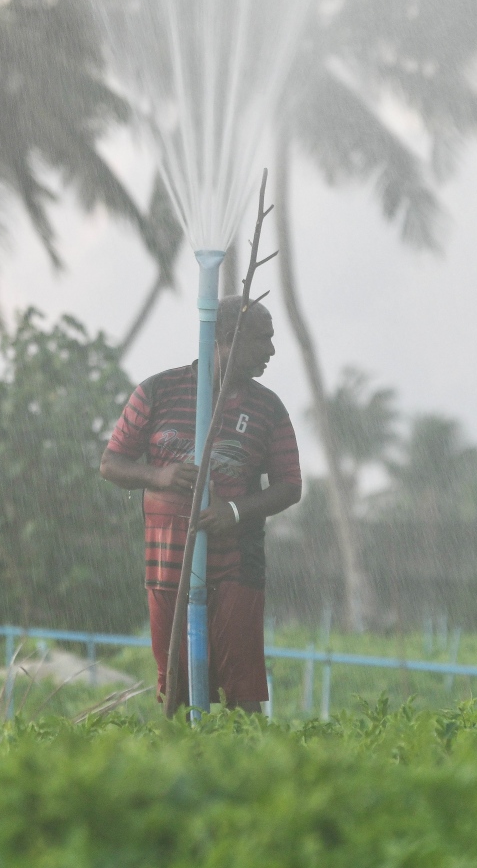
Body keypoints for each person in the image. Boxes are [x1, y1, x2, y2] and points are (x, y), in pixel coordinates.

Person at [100, 296, 302, 711]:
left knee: (241, 688)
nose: (271, 351)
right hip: (167, 563)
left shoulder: (267, 408)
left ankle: (244, 768)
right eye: (262, 339)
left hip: (236, 566)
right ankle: (179, 768)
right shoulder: (157, 391)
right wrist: (159, 476)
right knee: (174, 684)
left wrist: (234, 512)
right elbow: (111, 463)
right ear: (227, 338)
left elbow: (290, 486)